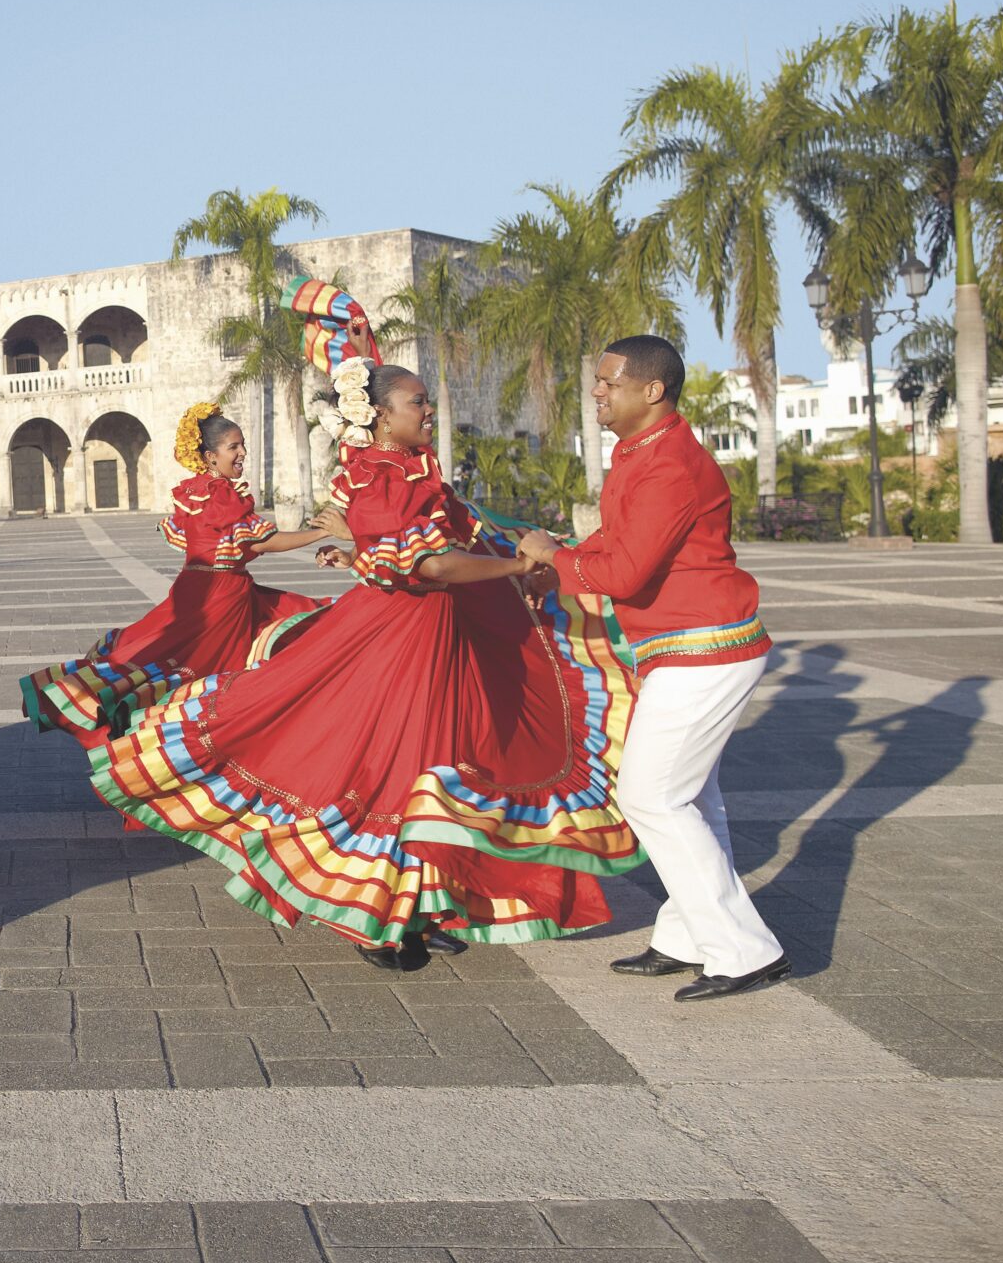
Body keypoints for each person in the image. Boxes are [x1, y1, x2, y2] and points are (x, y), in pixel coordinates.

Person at [91, 361, 645, 968]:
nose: (427, 410)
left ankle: (420, 903)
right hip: (395, 640)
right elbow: (427, 567)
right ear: (381, 415)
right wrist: (518, 568)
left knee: (438, 763)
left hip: (442, 639)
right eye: (417, 402)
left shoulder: (412, 467)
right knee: (387, 766)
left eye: (427, 400)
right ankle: (375, 916)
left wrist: (538, 553)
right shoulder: (376, 477)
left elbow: (467, 528)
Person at [516, 334, 786, 1002]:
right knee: (693, 800)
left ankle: (745, 949)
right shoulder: (643, 454)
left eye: (609, 381)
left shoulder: (667, 465)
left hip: (706, 649)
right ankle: (686, 936)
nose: (597, 391)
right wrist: (559, 567)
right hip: (689, 647)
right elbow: (619, 542)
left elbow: (629, 571)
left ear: (651, 390)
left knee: (650, 797)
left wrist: (555, 556)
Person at [20, 404, 339, 745]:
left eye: (241, 444)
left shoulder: (196, 491)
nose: (242, 452)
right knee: (203, 668)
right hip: (220, 597)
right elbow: (263, 542)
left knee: (180, 656)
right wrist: (324, 532)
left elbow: (224, 543)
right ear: (211, 456)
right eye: (234, 446)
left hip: (198, 587)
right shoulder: (222, 495)